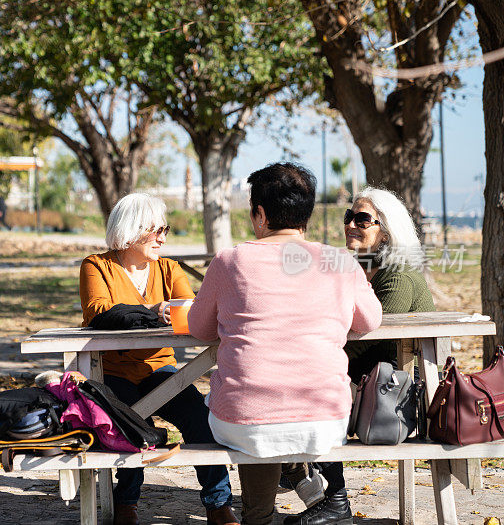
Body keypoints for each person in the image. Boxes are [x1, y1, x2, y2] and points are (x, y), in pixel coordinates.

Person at [187, 162, 383, 525]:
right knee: (276, 420)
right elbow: (370, 320)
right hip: (325, 419)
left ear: (259, 214)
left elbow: (199, 328)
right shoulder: (339, 262)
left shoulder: (229, 261)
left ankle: (259, 516)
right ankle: (315, 498)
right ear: (305, 215)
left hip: (244, 419)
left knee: (255, 418)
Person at [79, 193, 237, 525]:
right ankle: (126, 504)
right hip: (114, 372)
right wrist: (152, 312)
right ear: (131, 229)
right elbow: (99, 313)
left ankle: (219, 504)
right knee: (136, 426)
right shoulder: (96, 266)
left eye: (165, 229)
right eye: (155, 230)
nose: (162, 237)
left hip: (160, 368)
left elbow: (192, 311)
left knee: (200, 419)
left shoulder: (169, 268)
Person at [285, 187, 436, 524]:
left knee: (309, 395)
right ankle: (300, 476)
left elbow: (365, 339)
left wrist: (308, 356)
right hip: (362, 379)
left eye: (363, 218)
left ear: (386, 230)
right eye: (348, 217)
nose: (351, 223)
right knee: (281, 392)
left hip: (398, 394)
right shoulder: (350, 267)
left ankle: (332, 500)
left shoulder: (397, 277)